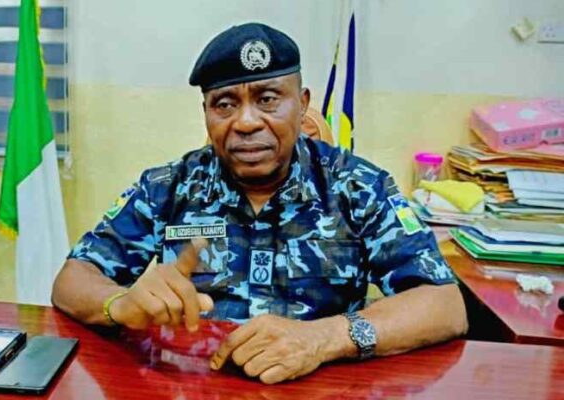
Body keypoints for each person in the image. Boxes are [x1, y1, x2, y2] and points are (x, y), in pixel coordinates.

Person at [52, 22, 468, 384]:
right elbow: (74, 278)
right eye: (225, 104)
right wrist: (119, 305)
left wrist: (323, 339)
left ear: (302, 104)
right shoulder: (168, 188)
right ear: (206, 113)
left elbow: (444, 305)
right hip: (194, 384)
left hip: (317, 385)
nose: (247, 122)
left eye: (268, 99)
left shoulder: (357, 187)